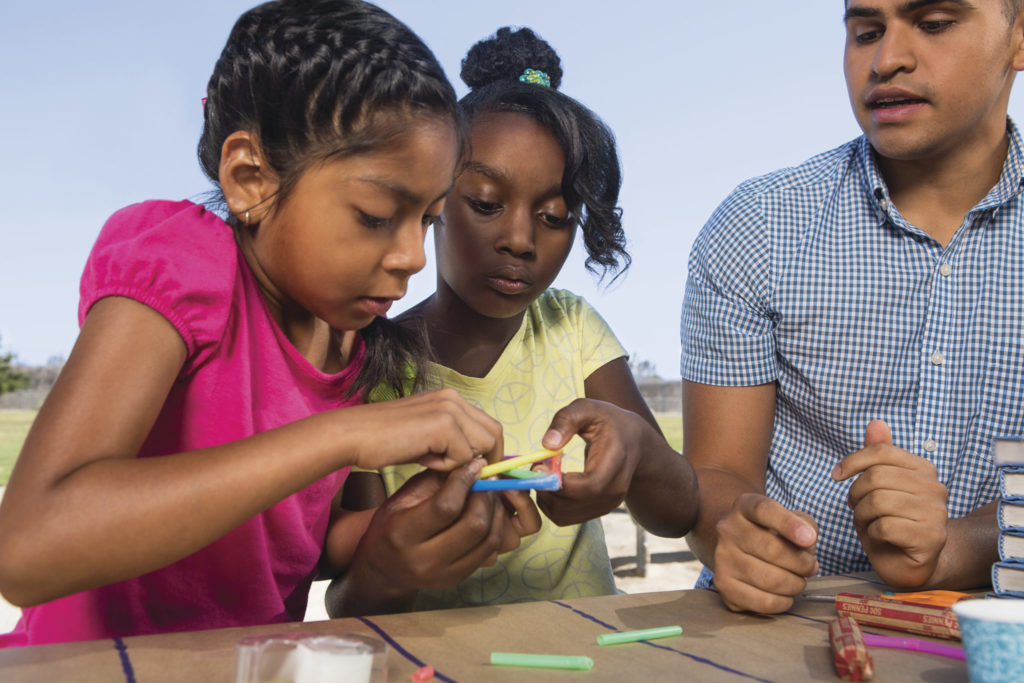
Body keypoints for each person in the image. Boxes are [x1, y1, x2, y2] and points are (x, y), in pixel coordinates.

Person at [0, 0, 532, 647]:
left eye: (428, 218)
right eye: (375, 215)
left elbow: (292, 551)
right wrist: (344, 435)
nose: (413, 257)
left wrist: (411, 523)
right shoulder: (182, 266)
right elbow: (28, 547)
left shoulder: (351, 342)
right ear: (250, 179)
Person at [325, 27, 698, 616]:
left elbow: (679, 514)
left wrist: (641, 455)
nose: (520, 239)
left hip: (593, 648)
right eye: (486, 203)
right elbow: (352, 603)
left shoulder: (574, 329)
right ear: (434, 201)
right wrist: (390, 564)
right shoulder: (371, 364)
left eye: (554, 215)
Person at [681, 0, 1024, 614]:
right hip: (783, 623)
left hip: (996, 628)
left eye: (934, 24)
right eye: (866, 32)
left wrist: (954, 546)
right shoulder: (759, 225)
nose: (886, 60)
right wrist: (735, 533)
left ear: (1018, 39)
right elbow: (715, 473)